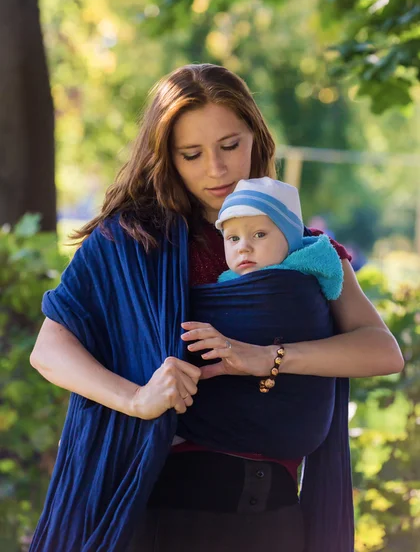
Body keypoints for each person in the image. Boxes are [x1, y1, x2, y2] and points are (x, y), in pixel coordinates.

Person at [29, 64, 404, 552]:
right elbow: (49, 349)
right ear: (166, 157)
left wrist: (266, 357)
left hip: (276, 523)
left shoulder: (304, 252)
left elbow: (382, 351)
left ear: (257, 137)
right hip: (162, 517)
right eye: (192, 154)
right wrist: (137, 399)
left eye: (231, 146)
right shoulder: (131, 244)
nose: (216, 169)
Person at [214, 176, 343, 302]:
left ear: (290, 239)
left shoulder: (311, 266)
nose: (243, 248)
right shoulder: (225, 283)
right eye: (234, 238)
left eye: (259, 234)